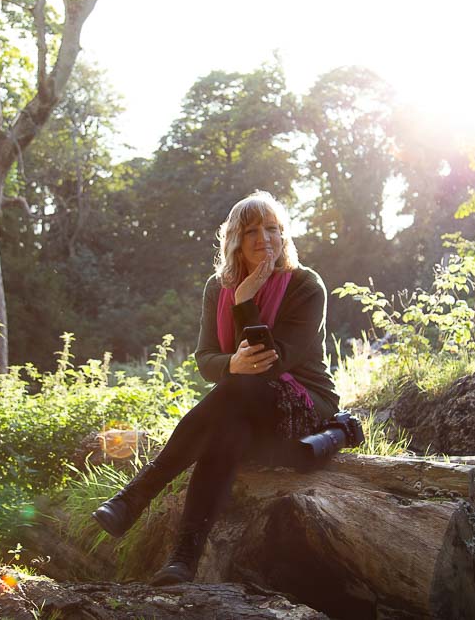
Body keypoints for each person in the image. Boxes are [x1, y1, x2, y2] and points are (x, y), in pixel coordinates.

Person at [92, 190, 339, 585]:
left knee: (239, 391)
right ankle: (182, 561)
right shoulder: (216, 287)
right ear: (235, 241)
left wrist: (245, 301)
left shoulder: (306, 285)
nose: (265, 239)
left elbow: (274, 361)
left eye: (273, 229)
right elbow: (206, 360)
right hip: (242, 403)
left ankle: (138, 494)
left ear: (284, 235)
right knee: (227, 429)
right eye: (253, 231)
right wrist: (231, 363)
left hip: (305, 400)